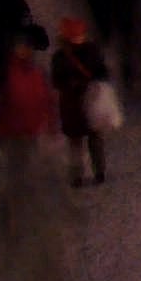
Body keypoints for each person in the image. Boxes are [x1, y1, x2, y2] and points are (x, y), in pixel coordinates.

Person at [49, 18, 114, 187]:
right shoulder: (93, 51)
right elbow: (103, 73)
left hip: (72, 104)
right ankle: (99, 172)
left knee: (76, 143)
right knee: (94, 140)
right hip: (90, 101)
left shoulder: (60, 56)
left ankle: (77, 176)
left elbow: (56, 81)